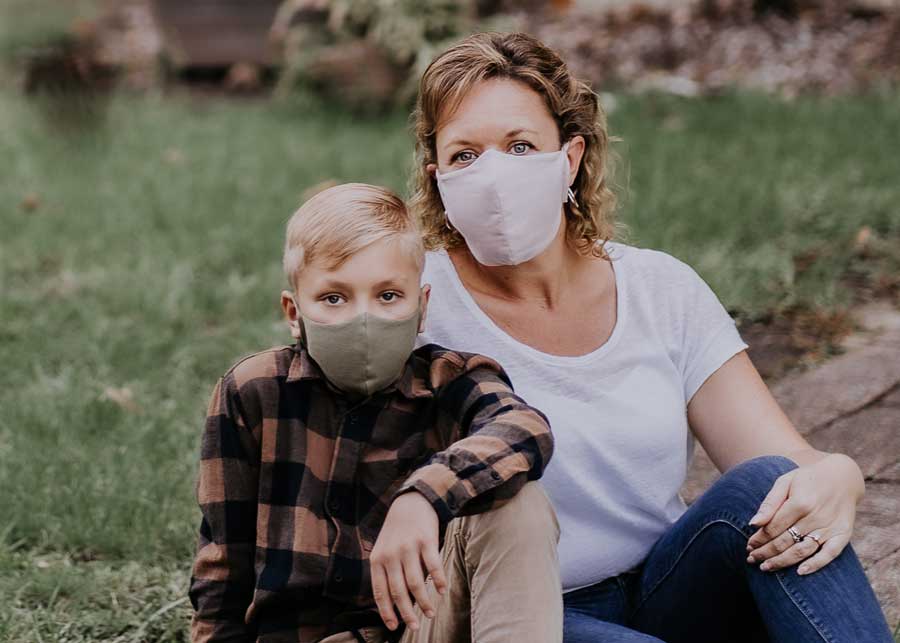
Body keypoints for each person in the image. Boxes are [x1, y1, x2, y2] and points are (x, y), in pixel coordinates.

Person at [402, 31, 895, 642]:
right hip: (518, 613)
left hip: (665, 587)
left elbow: (784, 461)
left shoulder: (660, 289)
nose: (494, 173)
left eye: (520, 144)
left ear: (570, 158)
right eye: (465, 155)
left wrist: (840, 474)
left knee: (769, 490)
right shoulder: (414, 303)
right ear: (439, 180)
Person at [187, 183, 561, 643]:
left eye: (388, 296)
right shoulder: (253, 392)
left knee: (519, 503)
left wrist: (422, 496)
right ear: (293, 311)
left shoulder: (450, 381)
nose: (363, 320)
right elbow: (223, 569)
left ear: (421, 308)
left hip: (416, 630)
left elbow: (524, 428)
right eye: (333, 298)